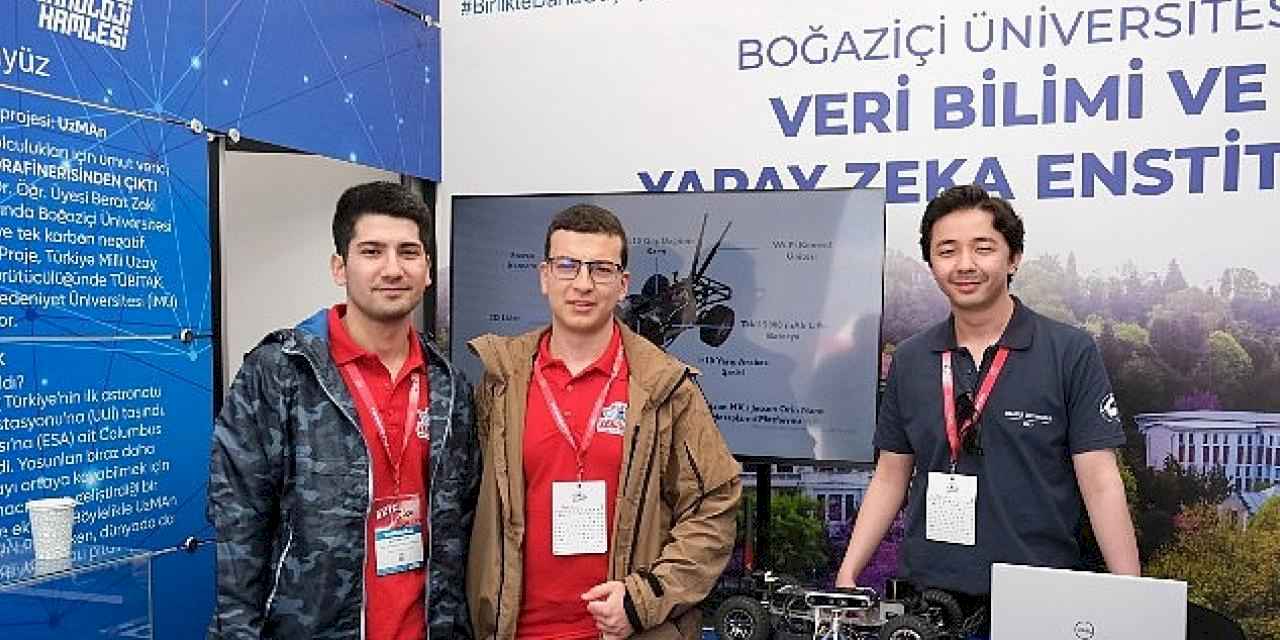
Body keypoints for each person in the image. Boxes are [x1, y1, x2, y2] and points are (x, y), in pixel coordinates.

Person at [836, 185, 1139, 614]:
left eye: (983, 248)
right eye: (947, 251)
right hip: (930, 599)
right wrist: (847, 574)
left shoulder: (1069, 352)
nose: (965, 264)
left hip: (1039, 596)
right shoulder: (911, 358)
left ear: (1013, 258)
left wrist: (1131, 598)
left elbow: (1100, 480)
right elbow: (890, 476)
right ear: (931, 264)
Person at [207, 181, 479, 639]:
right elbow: (239, 523)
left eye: (408, 252)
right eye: (372, 251)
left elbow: (464, 526)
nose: (392, 269)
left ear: (428, 270)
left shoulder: (449, 387)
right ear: (340, 267)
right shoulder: (281, 373)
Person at [466, 204, 741, 640]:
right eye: (567, 266)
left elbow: (715, 504)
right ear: (544, 276)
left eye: (600, 269)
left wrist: (643, 599)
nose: (583, 283)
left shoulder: (666, 388)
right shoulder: (501, 382)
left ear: (623, 284)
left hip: (627, 632)